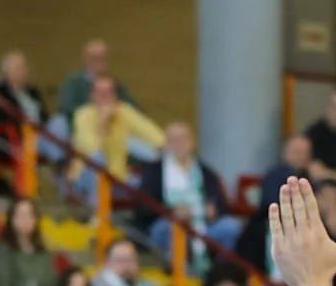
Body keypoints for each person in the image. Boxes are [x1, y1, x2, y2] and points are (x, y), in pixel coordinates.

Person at [134, 121, 244, 267]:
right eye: (173, 140)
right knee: (165, 229)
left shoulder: (204, 171)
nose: (178, 144)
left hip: (204, 224)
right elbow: (143, 205)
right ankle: (179, 271)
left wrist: (213, 209)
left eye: (182, 139)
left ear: (192, 142)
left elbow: (219, 201)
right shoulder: (154, 171)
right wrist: (172, 212)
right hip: (170, 223)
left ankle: (219, 272)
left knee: (231, 227)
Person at [66, 75, 164, 204]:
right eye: (100, 92)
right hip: (85, 178)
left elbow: (154, 134)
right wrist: (104, 122)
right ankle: (99, 213)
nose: (104, 96)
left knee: (152, 182)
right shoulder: (83, 115)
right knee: (98, 159)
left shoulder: (123, 111)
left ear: (115, 96)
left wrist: (167, 150)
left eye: (108, 92)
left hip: (117, 179)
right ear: (92, 96)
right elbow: (93, 150)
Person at [51, 37, 134, 124]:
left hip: (112, 124)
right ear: (86, 59)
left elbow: (132, 105)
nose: (100, 61)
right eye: (96, 58)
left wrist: (114, 111)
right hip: (79, 124)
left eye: (103, 57)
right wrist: (94, 114)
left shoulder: (115, 82)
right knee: (58, 121)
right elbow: (66, 107)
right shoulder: (73, 81)